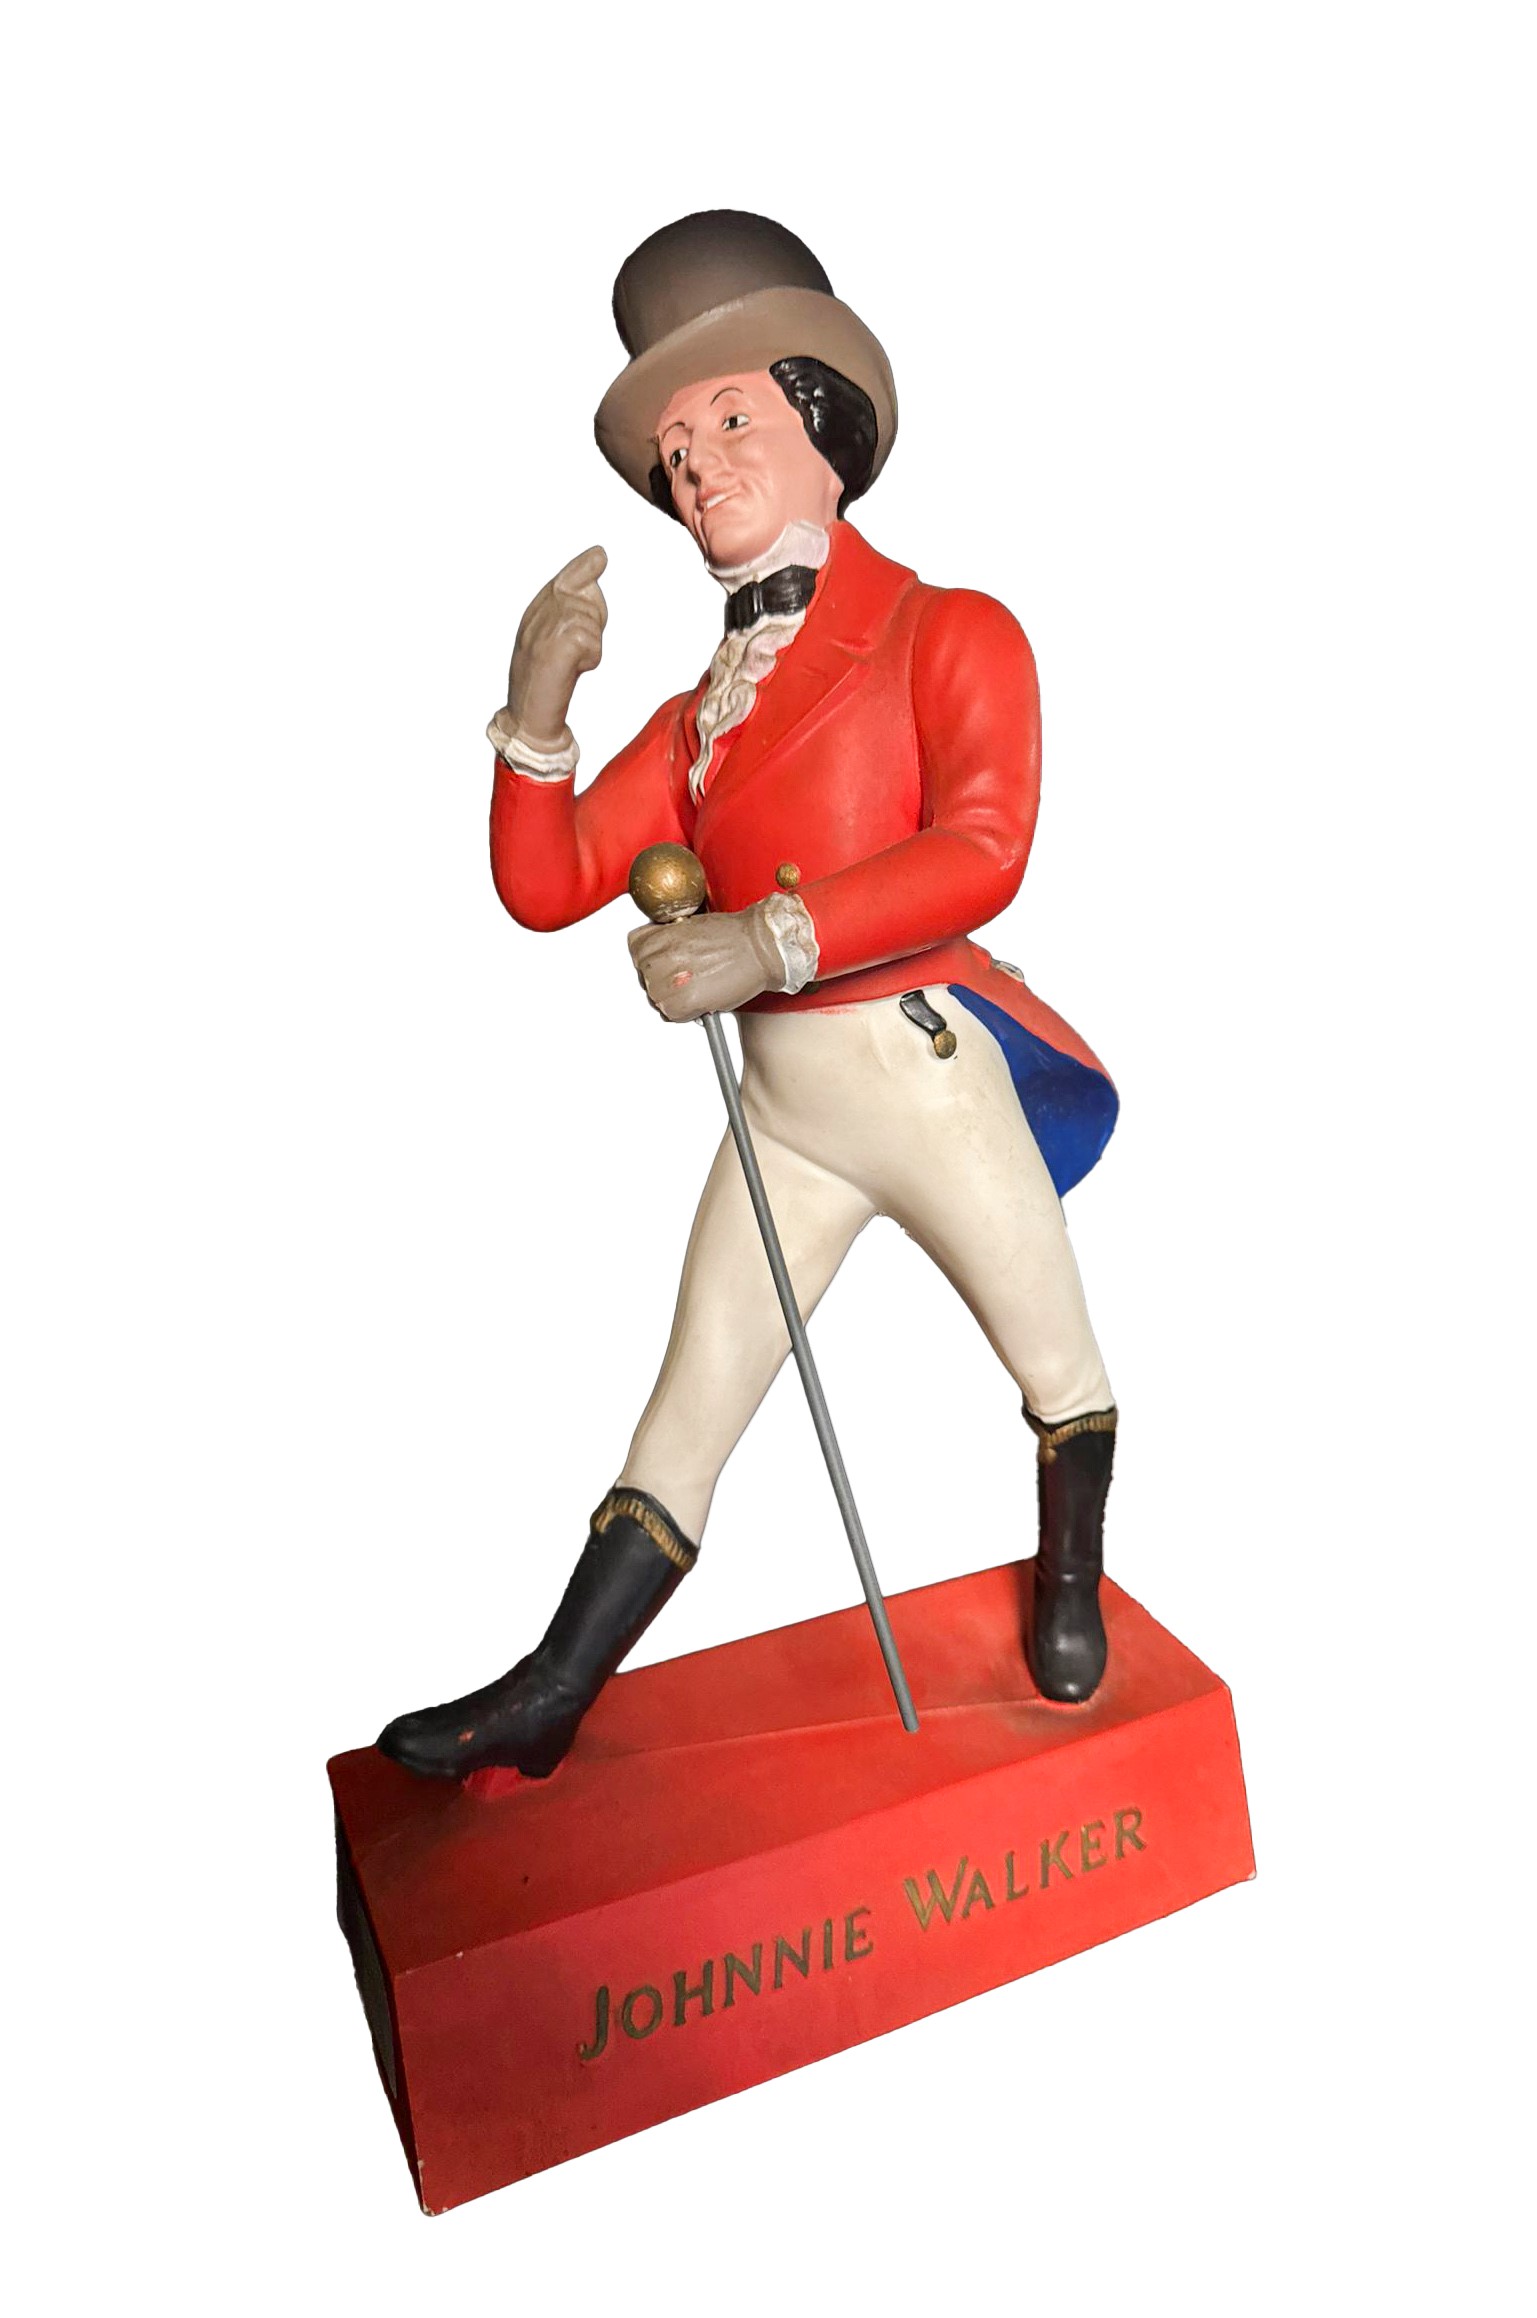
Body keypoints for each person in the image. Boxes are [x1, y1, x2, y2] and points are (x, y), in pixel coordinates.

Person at [379, 211, 1120, 1783]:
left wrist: (767, 939)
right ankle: (552, 1693)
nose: (697, 466)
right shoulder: (695, 715)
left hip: (921, 1075)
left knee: (1052, 1358)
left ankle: (1071, 1572)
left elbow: (984, 848)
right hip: (784, 1115)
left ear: (823, 429)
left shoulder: (947, 630)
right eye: (674, 451)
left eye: (729, 421)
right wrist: (533, 717)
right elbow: (548, 881)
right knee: (687, 1406)